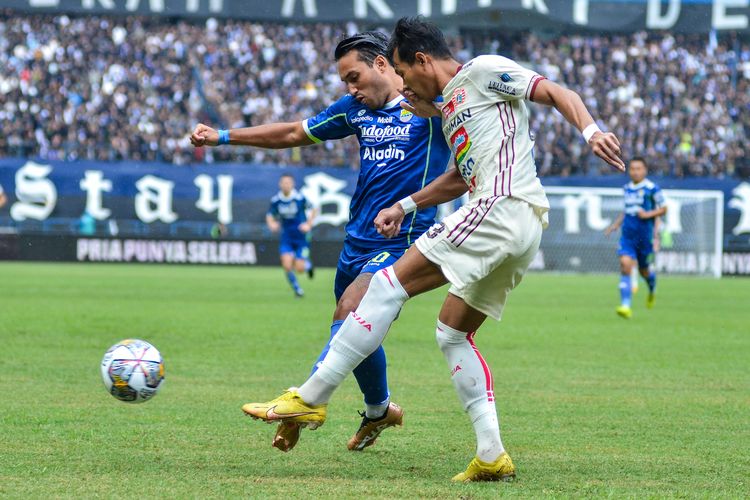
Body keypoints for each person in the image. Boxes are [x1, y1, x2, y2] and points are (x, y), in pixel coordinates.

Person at [241, 16, 624, 482]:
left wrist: (591, 131)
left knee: (384, 288)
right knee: (452, 333)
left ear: (421, 60)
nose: (402, 85)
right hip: (520, 225)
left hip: (499, 208)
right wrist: (405, 204)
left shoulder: (483, 71)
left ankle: (311, 398)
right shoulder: (451, 110)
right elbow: (462, 177)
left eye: (402, 73)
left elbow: (560, 93)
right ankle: (491, 455)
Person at [190, 31, 452, 452]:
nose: (351, 89)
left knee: (351, 311)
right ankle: (378, 409)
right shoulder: (356, 110)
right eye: (345, 82)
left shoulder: (429, 106)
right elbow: (295, 133)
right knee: (357, 332)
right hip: (356, 241)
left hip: (404, 239)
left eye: (355, 77)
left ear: (382, 64)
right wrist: (223, 137)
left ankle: (305, 401)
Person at [604, 157, 666, 319]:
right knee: (625, 265)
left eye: (639, 168)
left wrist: (648, 215)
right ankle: (625, 306)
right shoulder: (627, 189)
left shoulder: (652, 188)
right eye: (632, 169)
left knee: (644, 271)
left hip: (645, 238)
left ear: (645, 170)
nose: (635, 172)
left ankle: (652, 288)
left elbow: (664, 209)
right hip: (628, 237)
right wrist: (615, 224)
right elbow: (627, 210)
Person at [266, 174, 316, 298]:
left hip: (301, 237)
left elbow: (314, 209)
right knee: (287, 265)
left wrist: (308, 224)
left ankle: (308, 266)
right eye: (284, 182)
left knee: (299, 268)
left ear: (292, 184)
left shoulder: (299, 198)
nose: (286, 185)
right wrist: (272, 224)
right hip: (286, 237)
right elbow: (270, 215)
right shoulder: (276, 200)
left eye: (288, 183)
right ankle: (298, 290)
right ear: (280, 184)